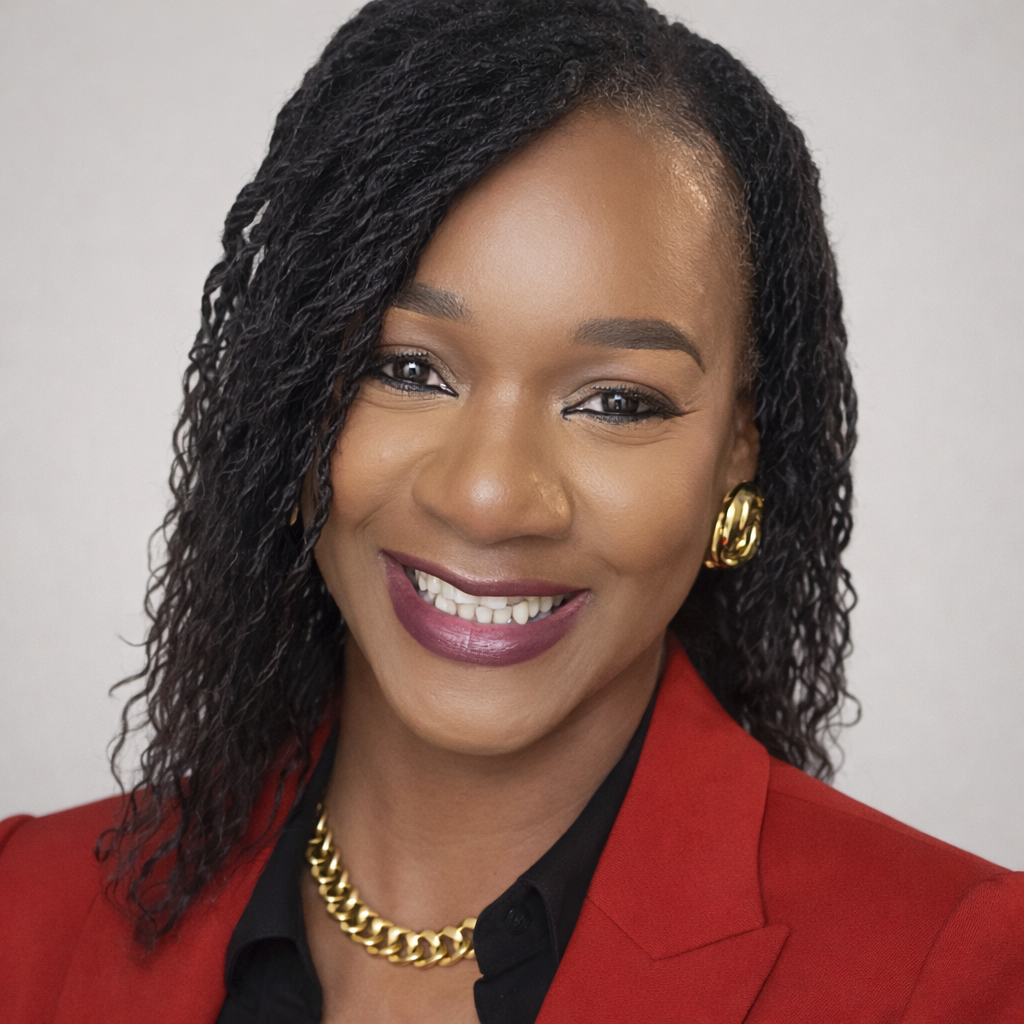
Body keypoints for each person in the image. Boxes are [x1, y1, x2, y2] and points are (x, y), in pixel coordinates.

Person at [1, 1, 1021, 1021]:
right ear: (294, 391)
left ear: (737, 450)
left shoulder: (951, 969)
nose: (488, 497)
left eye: (616, 402)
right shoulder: (21, 910)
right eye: (406, 368)